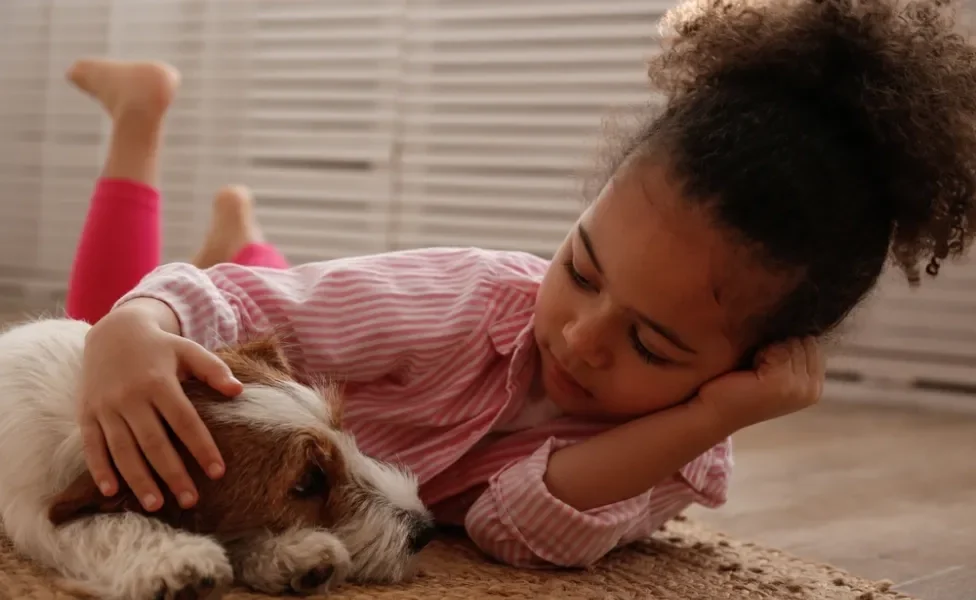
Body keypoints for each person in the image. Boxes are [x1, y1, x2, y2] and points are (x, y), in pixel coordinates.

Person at [67, 0, 976, 568]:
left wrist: (707, 419)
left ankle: (249, 237)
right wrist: (140, 320)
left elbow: (515, 532)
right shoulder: (463, 295)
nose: (582, 336)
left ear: (753, 362)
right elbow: (260, 317)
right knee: (103, 365)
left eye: (653, 343)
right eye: (580, 268)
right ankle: (140, 123)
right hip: (300, 360)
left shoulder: (687, 456)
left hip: (309, 424)